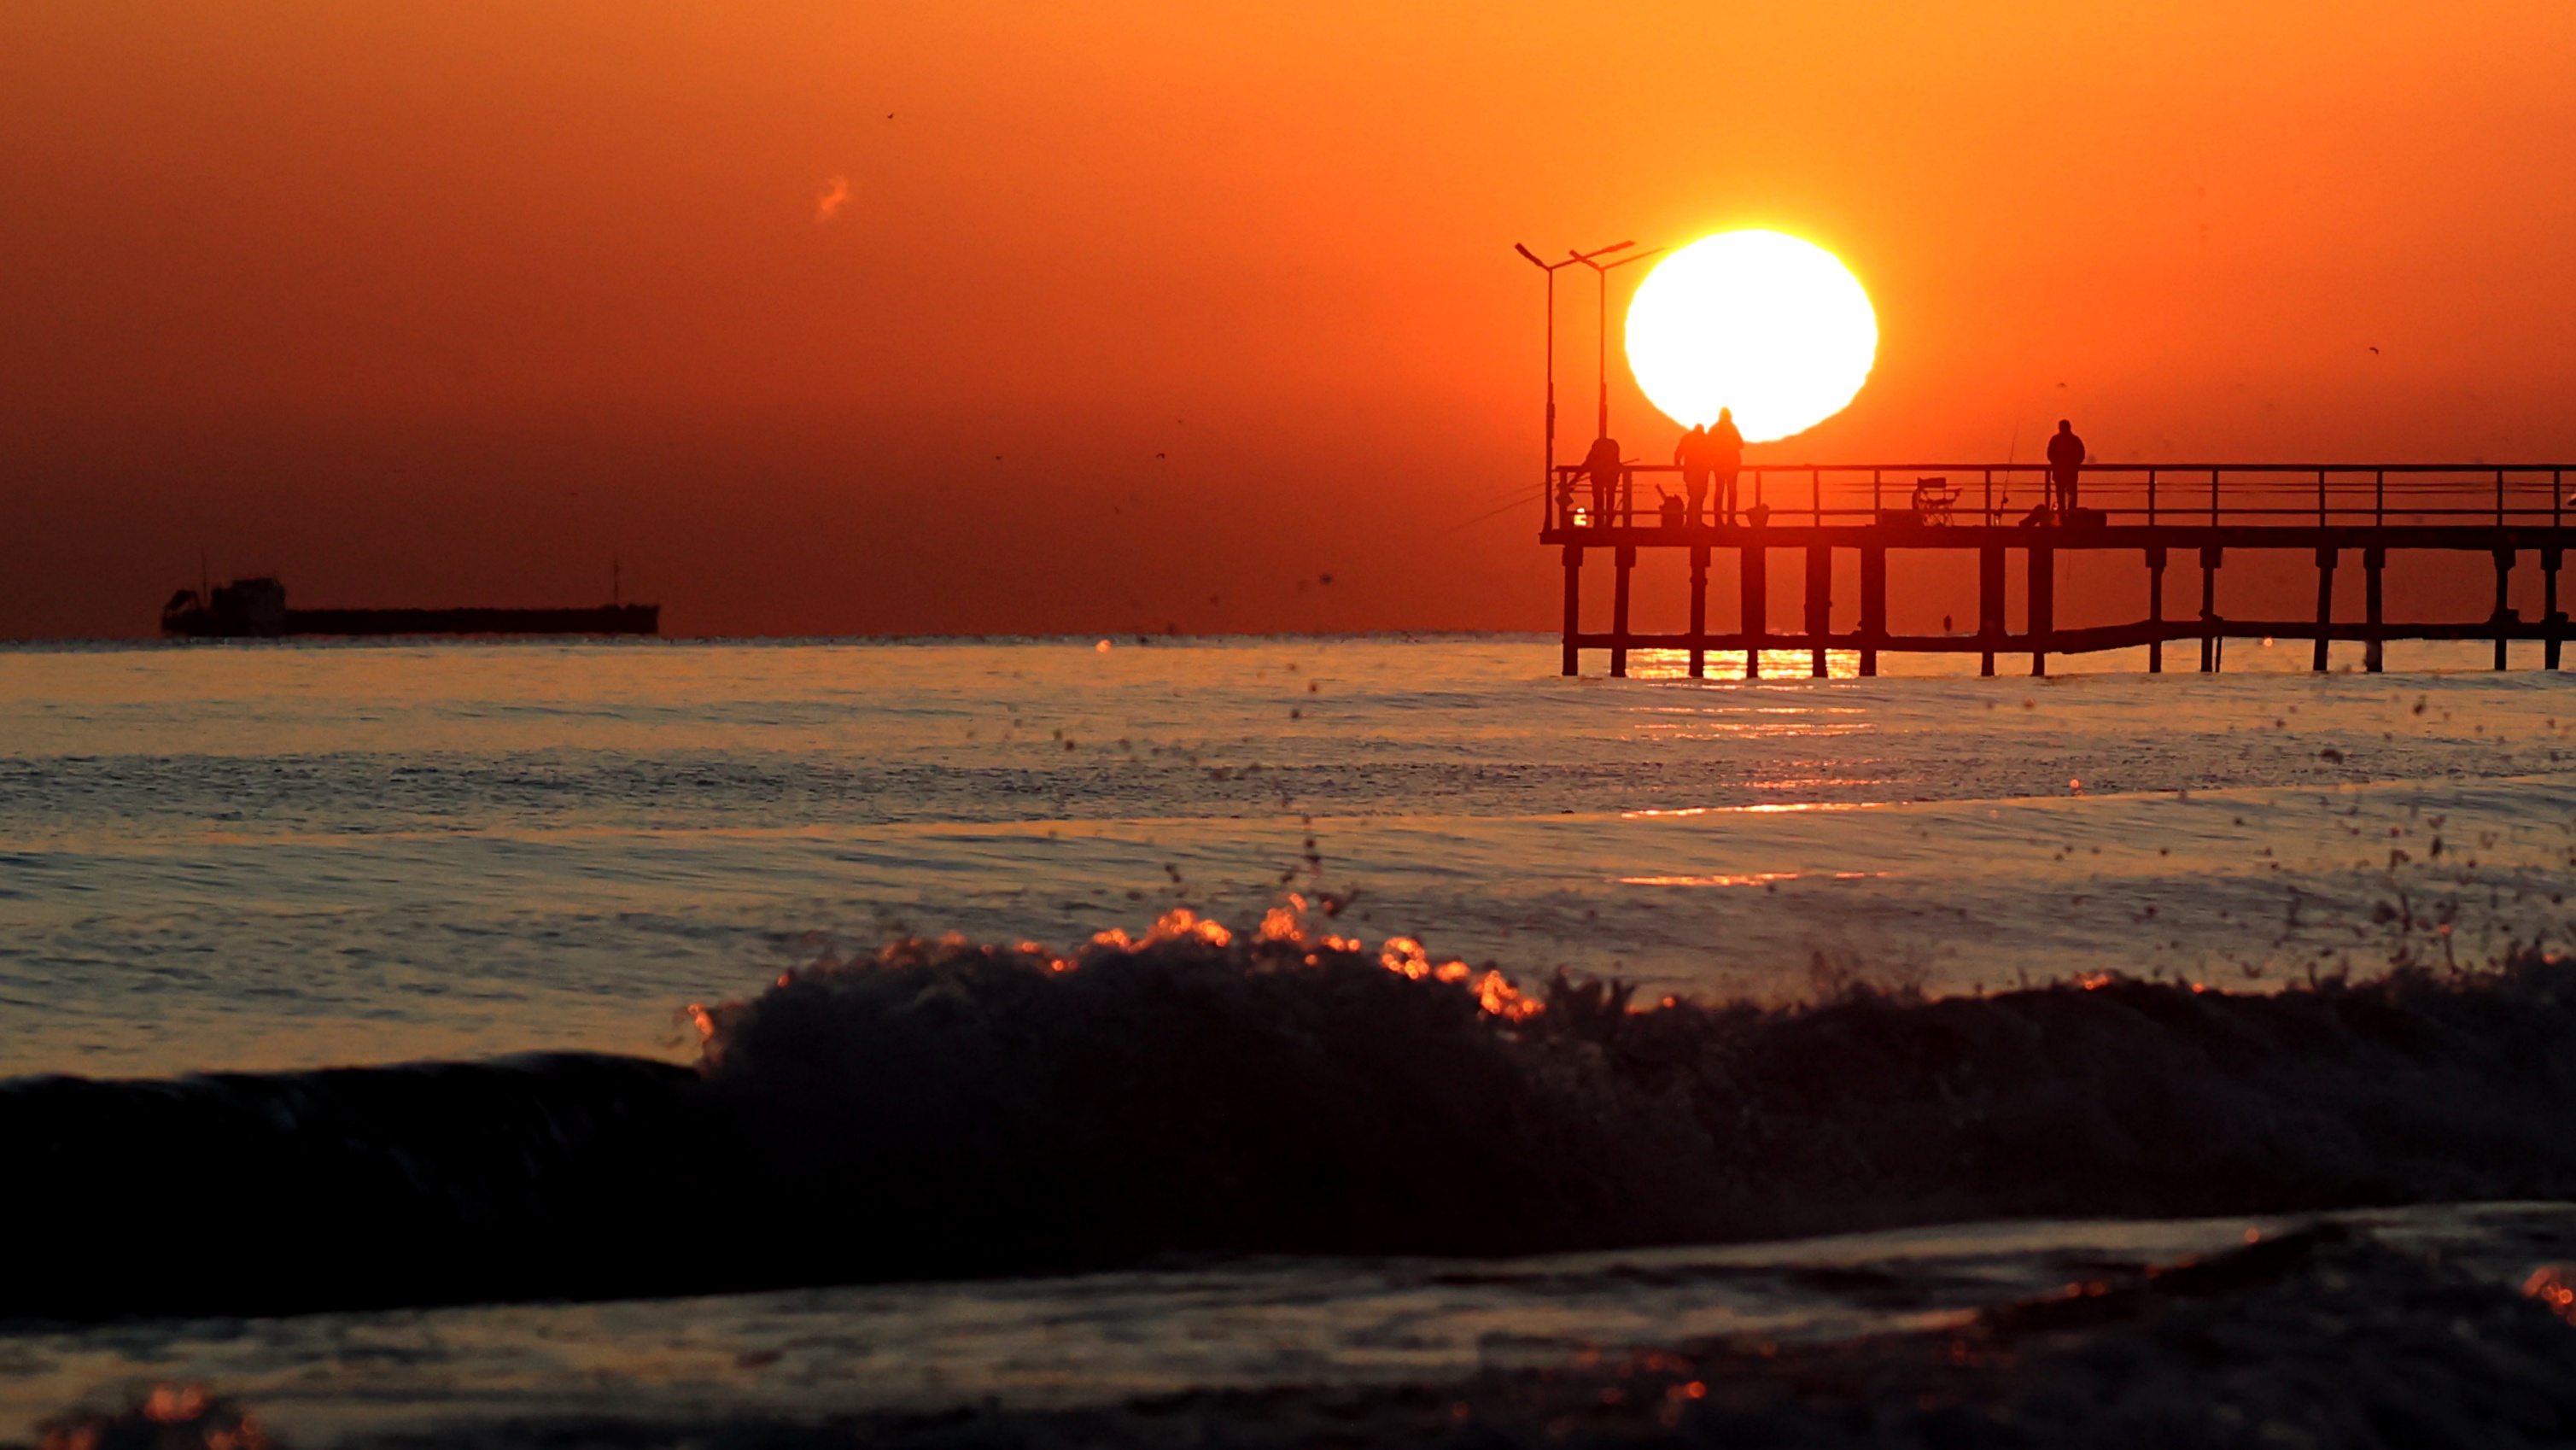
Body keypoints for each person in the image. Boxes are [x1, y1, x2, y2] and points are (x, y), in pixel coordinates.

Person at [1709, 407, 1744, 523]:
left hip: (1719, 464)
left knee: (1719, 491)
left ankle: (1718, 520)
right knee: (1732, 492)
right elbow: (1741, 444)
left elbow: (1707, 447)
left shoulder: (1714, 429)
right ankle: (1731, 519)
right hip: (1731, 464)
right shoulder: (1732, 428)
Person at [1672, 424, 1712, 525]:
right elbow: (1714, 453)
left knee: (1694, 495)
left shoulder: (1688, 437)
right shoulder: (1706, 439)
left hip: (1690, 471)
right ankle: (1695, 520)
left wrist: (1677, 463)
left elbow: (1679, 451)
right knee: (1699, 496)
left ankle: (1693, 520)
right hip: (1702, 472)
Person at [1581, 435, 1624, 525]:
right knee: (1609, 496)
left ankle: (1599, 521)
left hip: (1600, 477)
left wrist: (1575, 479)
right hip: (1608, 477)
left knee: (1600, 497)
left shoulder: (1599, 445)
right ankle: (1607, 521)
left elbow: (1588, 463)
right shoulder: (1613, 445)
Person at [2047, 419, 2086, 514]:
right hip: (2070, 473)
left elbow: (2049, 455)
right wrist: (2075, 464)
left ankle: (2062, 517)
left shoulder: (2055, 440)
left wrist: (2057, 463)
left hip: (2060, 473)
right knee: (2071, 499)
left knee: (2061, 499)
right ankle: (2071, 518)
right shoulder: (2075, 440)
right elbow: (2082, 454)